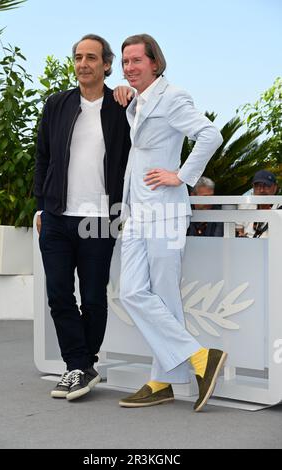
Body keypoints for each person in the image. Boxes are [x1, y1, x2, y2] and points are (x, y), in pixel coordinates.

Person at [116, 34, 227, 412]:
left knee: (163, 295)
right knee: (131, 291)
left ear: (155, 63)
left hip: (164, 210)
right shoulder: (139, 100)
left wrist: (181, 175)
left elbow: (210, 134)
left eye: (136, 61)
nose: (129, 68)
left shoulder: (174, 96)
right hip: (137, 212)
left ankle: (162, 381)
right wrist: (127, 99)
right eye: (125, 62)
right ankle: (199, 359)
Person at [34, 34, 131, 401]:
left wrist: (132, 96)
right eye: (78, 57)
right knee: (59, 294)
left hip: (100, 219)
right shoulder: (56, 104)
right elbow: (43, 158)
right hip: (58, 216)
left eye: (91, 57)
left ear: (106, 64)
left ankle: (81, 365)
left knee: (92, 297)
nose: (83, 64)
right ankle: (79, 365)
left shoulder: (121, 105)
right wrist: (41, 206)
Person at [237, 170, 280, 238]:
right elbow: (238, 230)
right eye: (258, 186)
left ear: (275, 188)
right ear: (253, 187)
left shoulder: (280, 207)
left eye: (266, 186)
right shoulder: (245, 205)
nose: (262, 190)